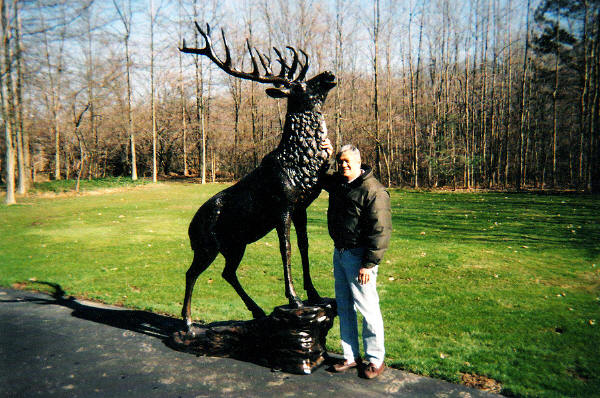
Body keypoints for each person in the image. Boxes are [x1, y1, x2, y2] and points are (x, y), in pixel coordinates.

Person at [320, 141, 392, 379]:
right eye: (340, 162)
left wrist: (369, 264)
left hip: (360, 258)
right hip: (340, 254)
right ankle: (350, 357)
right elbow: (321, 177)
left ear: (359, 163)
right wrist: (327, 156)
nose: (343, 165)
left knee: (368, 309)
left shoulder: (373, 191)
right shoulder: (341, 184)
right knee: (345, 307)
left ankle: (375, 360)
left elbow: (380, 231)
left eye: (347, 161)